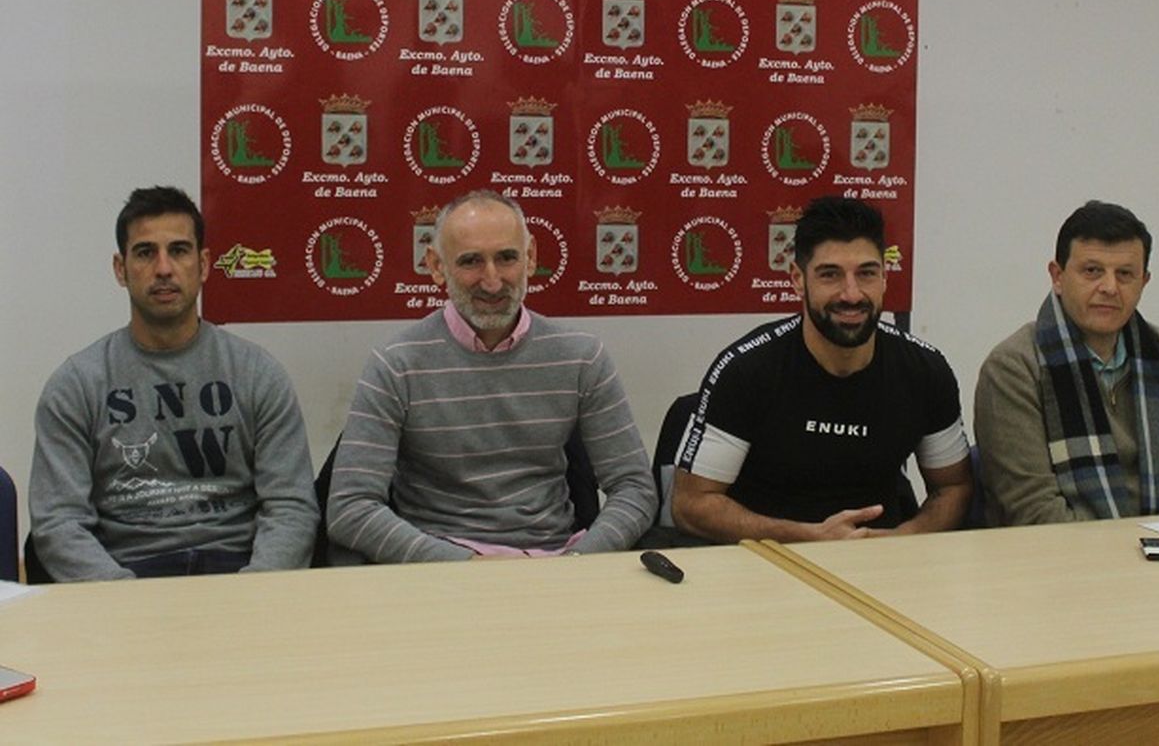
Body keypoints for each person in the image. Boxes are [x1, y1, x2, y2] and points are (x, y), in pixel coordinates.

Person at [326, 190, 655, 562]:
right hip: (440, 572)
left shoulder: (581, 357)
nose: (493, 281)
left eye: (507, 258)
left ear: (530, 257)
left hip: (555, 564)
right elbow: (350, 508)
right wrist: (466, 565)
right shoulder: (396, 364)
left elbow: (635, 488)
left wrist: (578, 563)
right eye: (471, 262)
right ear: (436, 266)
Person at [30, 186, 317, 580]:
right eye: (146, 253)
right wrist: (121, 598)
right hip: (126, 573)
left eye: (179, 251)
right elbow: (58, 523)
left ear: (203, 265)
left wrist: (257, 592)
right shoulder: (77, 384)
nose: (163, 268)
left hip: (237, 569)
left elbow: (291, 507)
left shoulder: (257, 373)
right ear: (120, 268)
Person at [672, 196, 972, 542]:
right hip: (768, 563)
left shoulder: (924, 371)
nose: (851, 293)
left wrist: (904, 538)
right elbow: (691, 504)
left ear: (885, 278)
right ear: (798, 279)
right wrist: (808, 538)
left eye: (867, 274)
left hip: (884, 565)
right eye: (830, 275)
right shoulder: (747, 371)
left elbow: (954, 487)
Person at [974, 201, 1159, 524]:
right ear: (1057, 277)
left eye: (1125, 274)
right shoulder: (1014, 368)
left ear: (1144, 282)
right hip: (1062, 563)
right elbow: (1034, 512)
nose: (1109, 287)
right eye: (1092, 271)